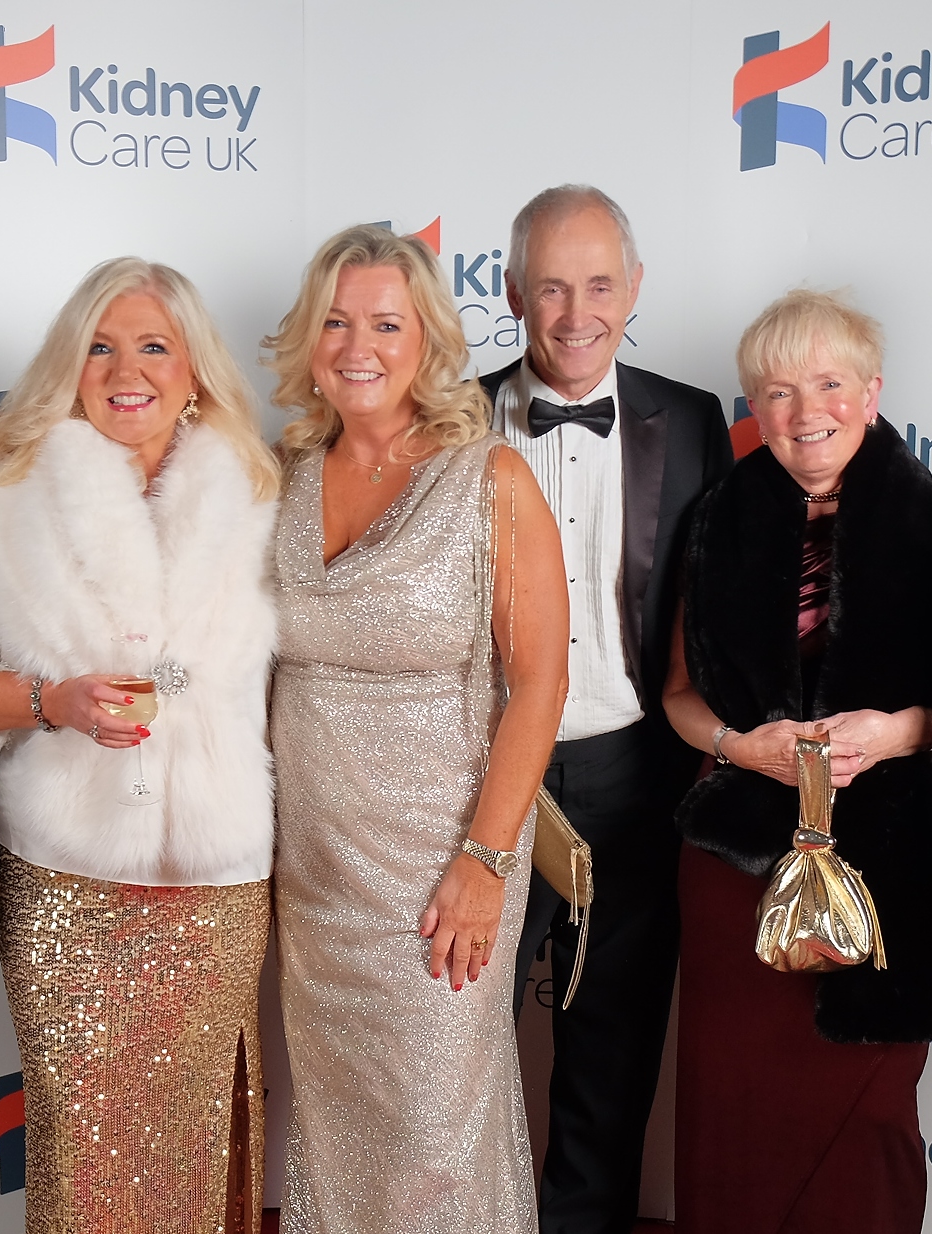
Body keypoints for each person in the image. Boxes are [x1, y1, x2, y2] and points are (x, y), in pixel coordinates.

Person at [0, 258, 280, 1232]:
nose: (129, 369)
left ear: (195, 368)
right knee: (85, 1168)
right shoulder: (8, 503)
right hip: (69, 894)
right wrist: (52, 701)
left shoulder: (263, 501)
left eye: (155, 345)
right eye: (102, 347)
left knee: (193, 1159)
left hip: (219, 892)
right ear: (71, 367)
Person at [266, 224, 570, 1233]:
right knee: (339, 1129)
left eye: (387, 322)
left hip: (444, 864)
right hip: (313, 871)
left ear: (428, 338)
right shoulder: (282, 475)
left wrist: (485, 859)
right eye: (338, 321)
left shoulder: (492, 480)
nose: (360, 343)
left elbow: (539, 683)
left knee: (434, 1137)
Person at [661, 290, 932, 1232]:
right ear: (754, 409)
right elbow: (678, 697)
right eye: (777, 392)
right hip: (737, 870)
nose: (805, 412)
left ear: (872, 393)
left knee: (865, 1116)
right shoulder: (717, 520)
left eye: (828, 384)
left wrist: (902, 731)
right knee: (737, 1111)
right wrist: (740, 744)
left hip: (885, 863)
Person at [483, 184, 731, 1234]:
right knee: (454, 1047)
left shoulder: (695, 419)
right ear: (510, 292)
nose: (576, 312)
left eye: (598, 284)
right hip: (482, 783)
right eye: (551, 286)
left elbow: (717, 610)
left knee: (611, 1059)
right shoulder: (448, 421)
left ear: (634, 290)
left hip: (634, 775)